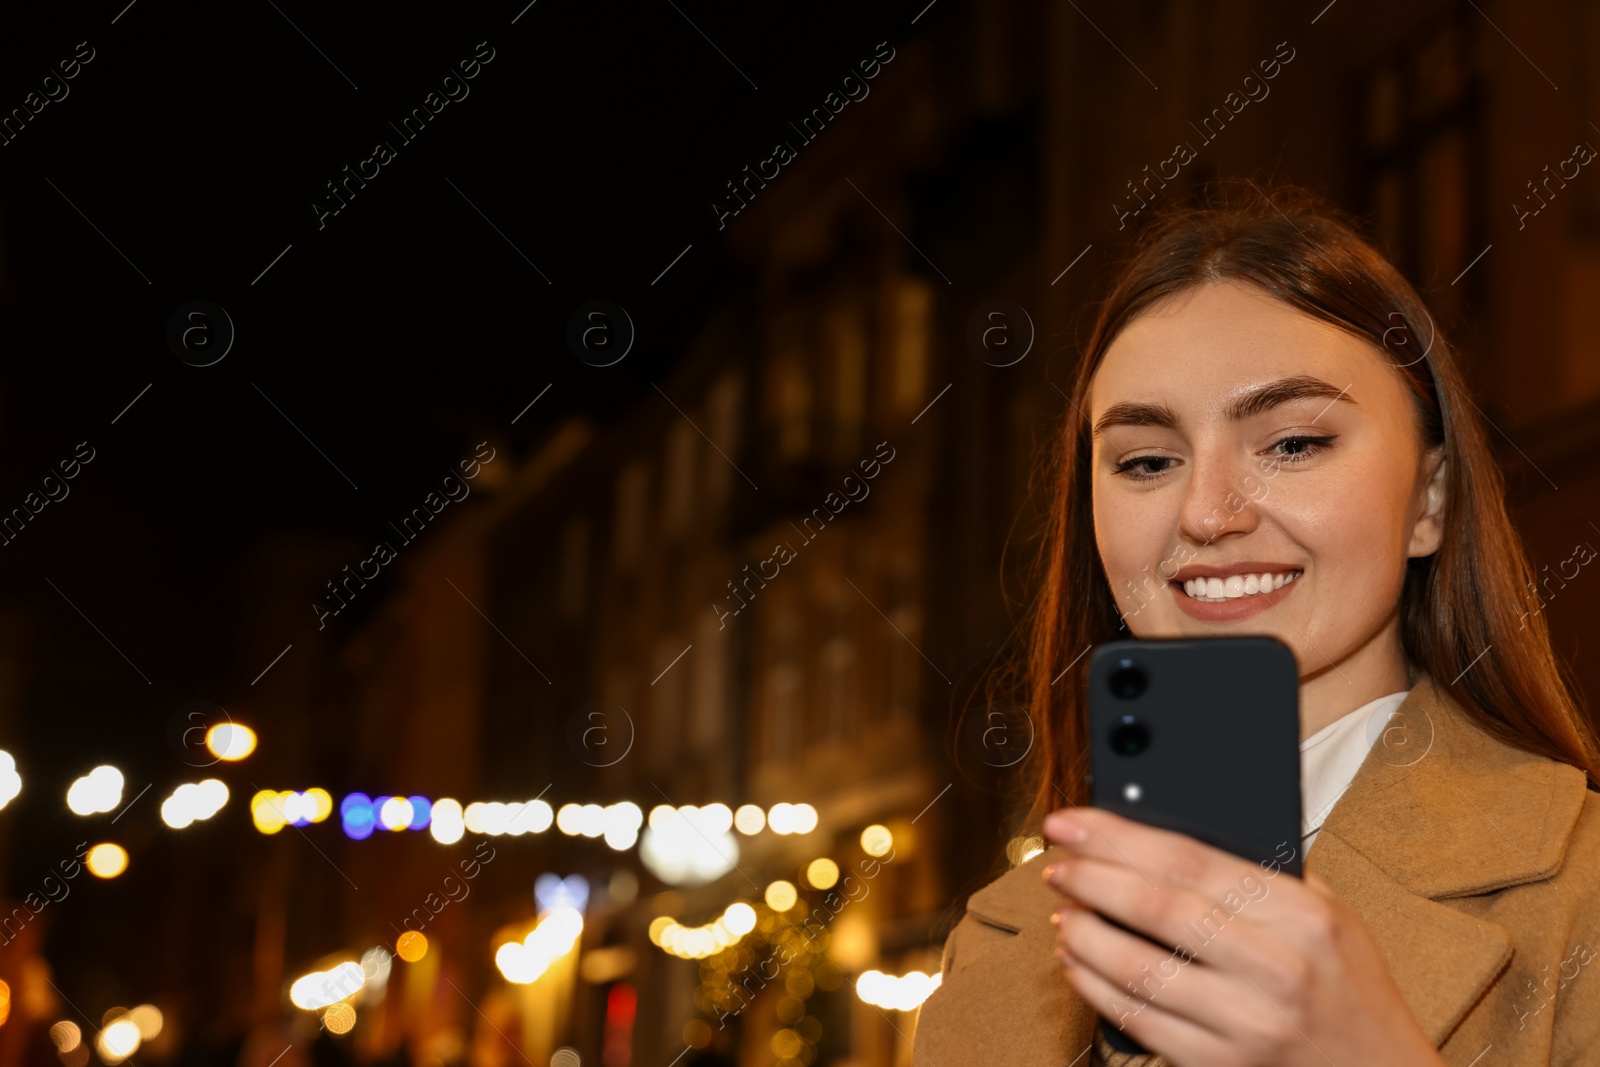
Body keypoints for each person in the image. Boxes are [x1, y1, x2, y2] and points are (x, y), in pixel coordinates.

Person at [911, 184, 1600, 1066]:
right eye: (1148, 460)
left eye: (1294, 443)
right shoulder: (999, 938)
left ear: (1431, 499)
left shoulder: (1578, 893)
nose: (1208, 512)